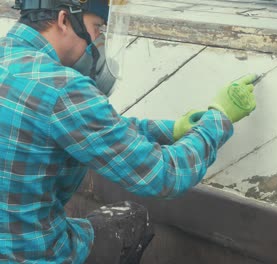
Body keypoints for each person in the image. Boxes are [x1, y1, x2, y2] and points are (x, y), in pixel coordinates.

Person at [0, 0, 258, 263]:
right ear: (64, 20)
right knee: (131, 219)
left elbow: (96, 128)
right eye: (98, 28)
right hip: (35, 256)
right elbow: (165, 175)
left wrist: (173, 130)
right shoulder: (63, 88)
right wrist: (219, 119)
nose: (99, 41)